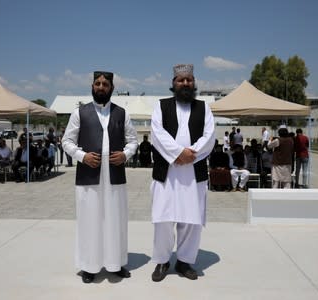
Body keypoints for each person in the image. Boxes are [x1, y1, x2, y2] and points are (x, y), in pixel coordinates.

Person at [62, 71, 138, 284]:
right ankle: (89, 265)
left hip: (114, 175)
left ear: (112, 88)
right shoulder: (80, 113)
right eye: (98, 83)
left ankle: (116, 263)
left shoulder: (122, 113)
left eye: (105, 84)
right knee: (89, 221)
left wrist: (125, 154)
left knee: (116, 220)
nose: (101, 87)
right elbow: (66, 141)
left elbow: (133, 141)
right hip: (89, 174)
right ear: (92, 86)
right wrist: (82, 156)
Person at [150, 64, 215, 282]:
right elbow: (157, 134)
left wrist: (191, 154)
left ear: (194, 82)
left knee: (191, 220)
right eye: (181, 80)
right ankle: (162, 261)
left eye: (189, 80)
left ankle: (185, 262)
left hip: (193, 173)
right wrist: (178, 153)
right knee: (163, 219)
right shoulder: (161, 106)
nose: (185, 83)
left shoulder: (204, 108)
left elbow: (210, 136)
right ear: (173, 83)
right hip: (167, 172)